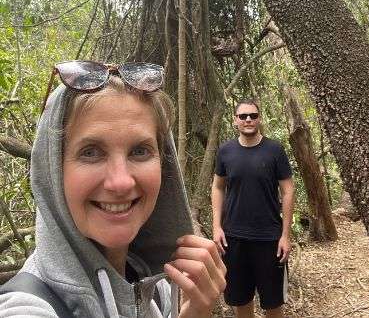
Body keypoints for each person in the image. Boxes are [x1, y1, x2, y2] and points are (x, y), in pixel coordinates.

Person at [0, 61, 226, 318]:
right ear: (53, 170)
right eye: (91, 153)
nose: (121, 182)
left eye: (140, 151)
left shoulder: (157, 286)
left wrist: (196, 312)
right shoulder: (26, 308)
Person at [211, 99, 295, 318]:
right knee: (241, 301)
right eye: (243, 116)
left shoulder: (274, 150)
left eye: (253, 116)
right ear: (235, 120)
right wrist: (216, 227)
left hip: (270, 239)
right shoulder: (225, 151)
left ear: (259, 118)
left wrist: (286, 235)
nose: (248, 119)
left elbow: (288, 191)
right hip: (233, 238)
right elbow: (218, 187)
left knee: (273, 304)